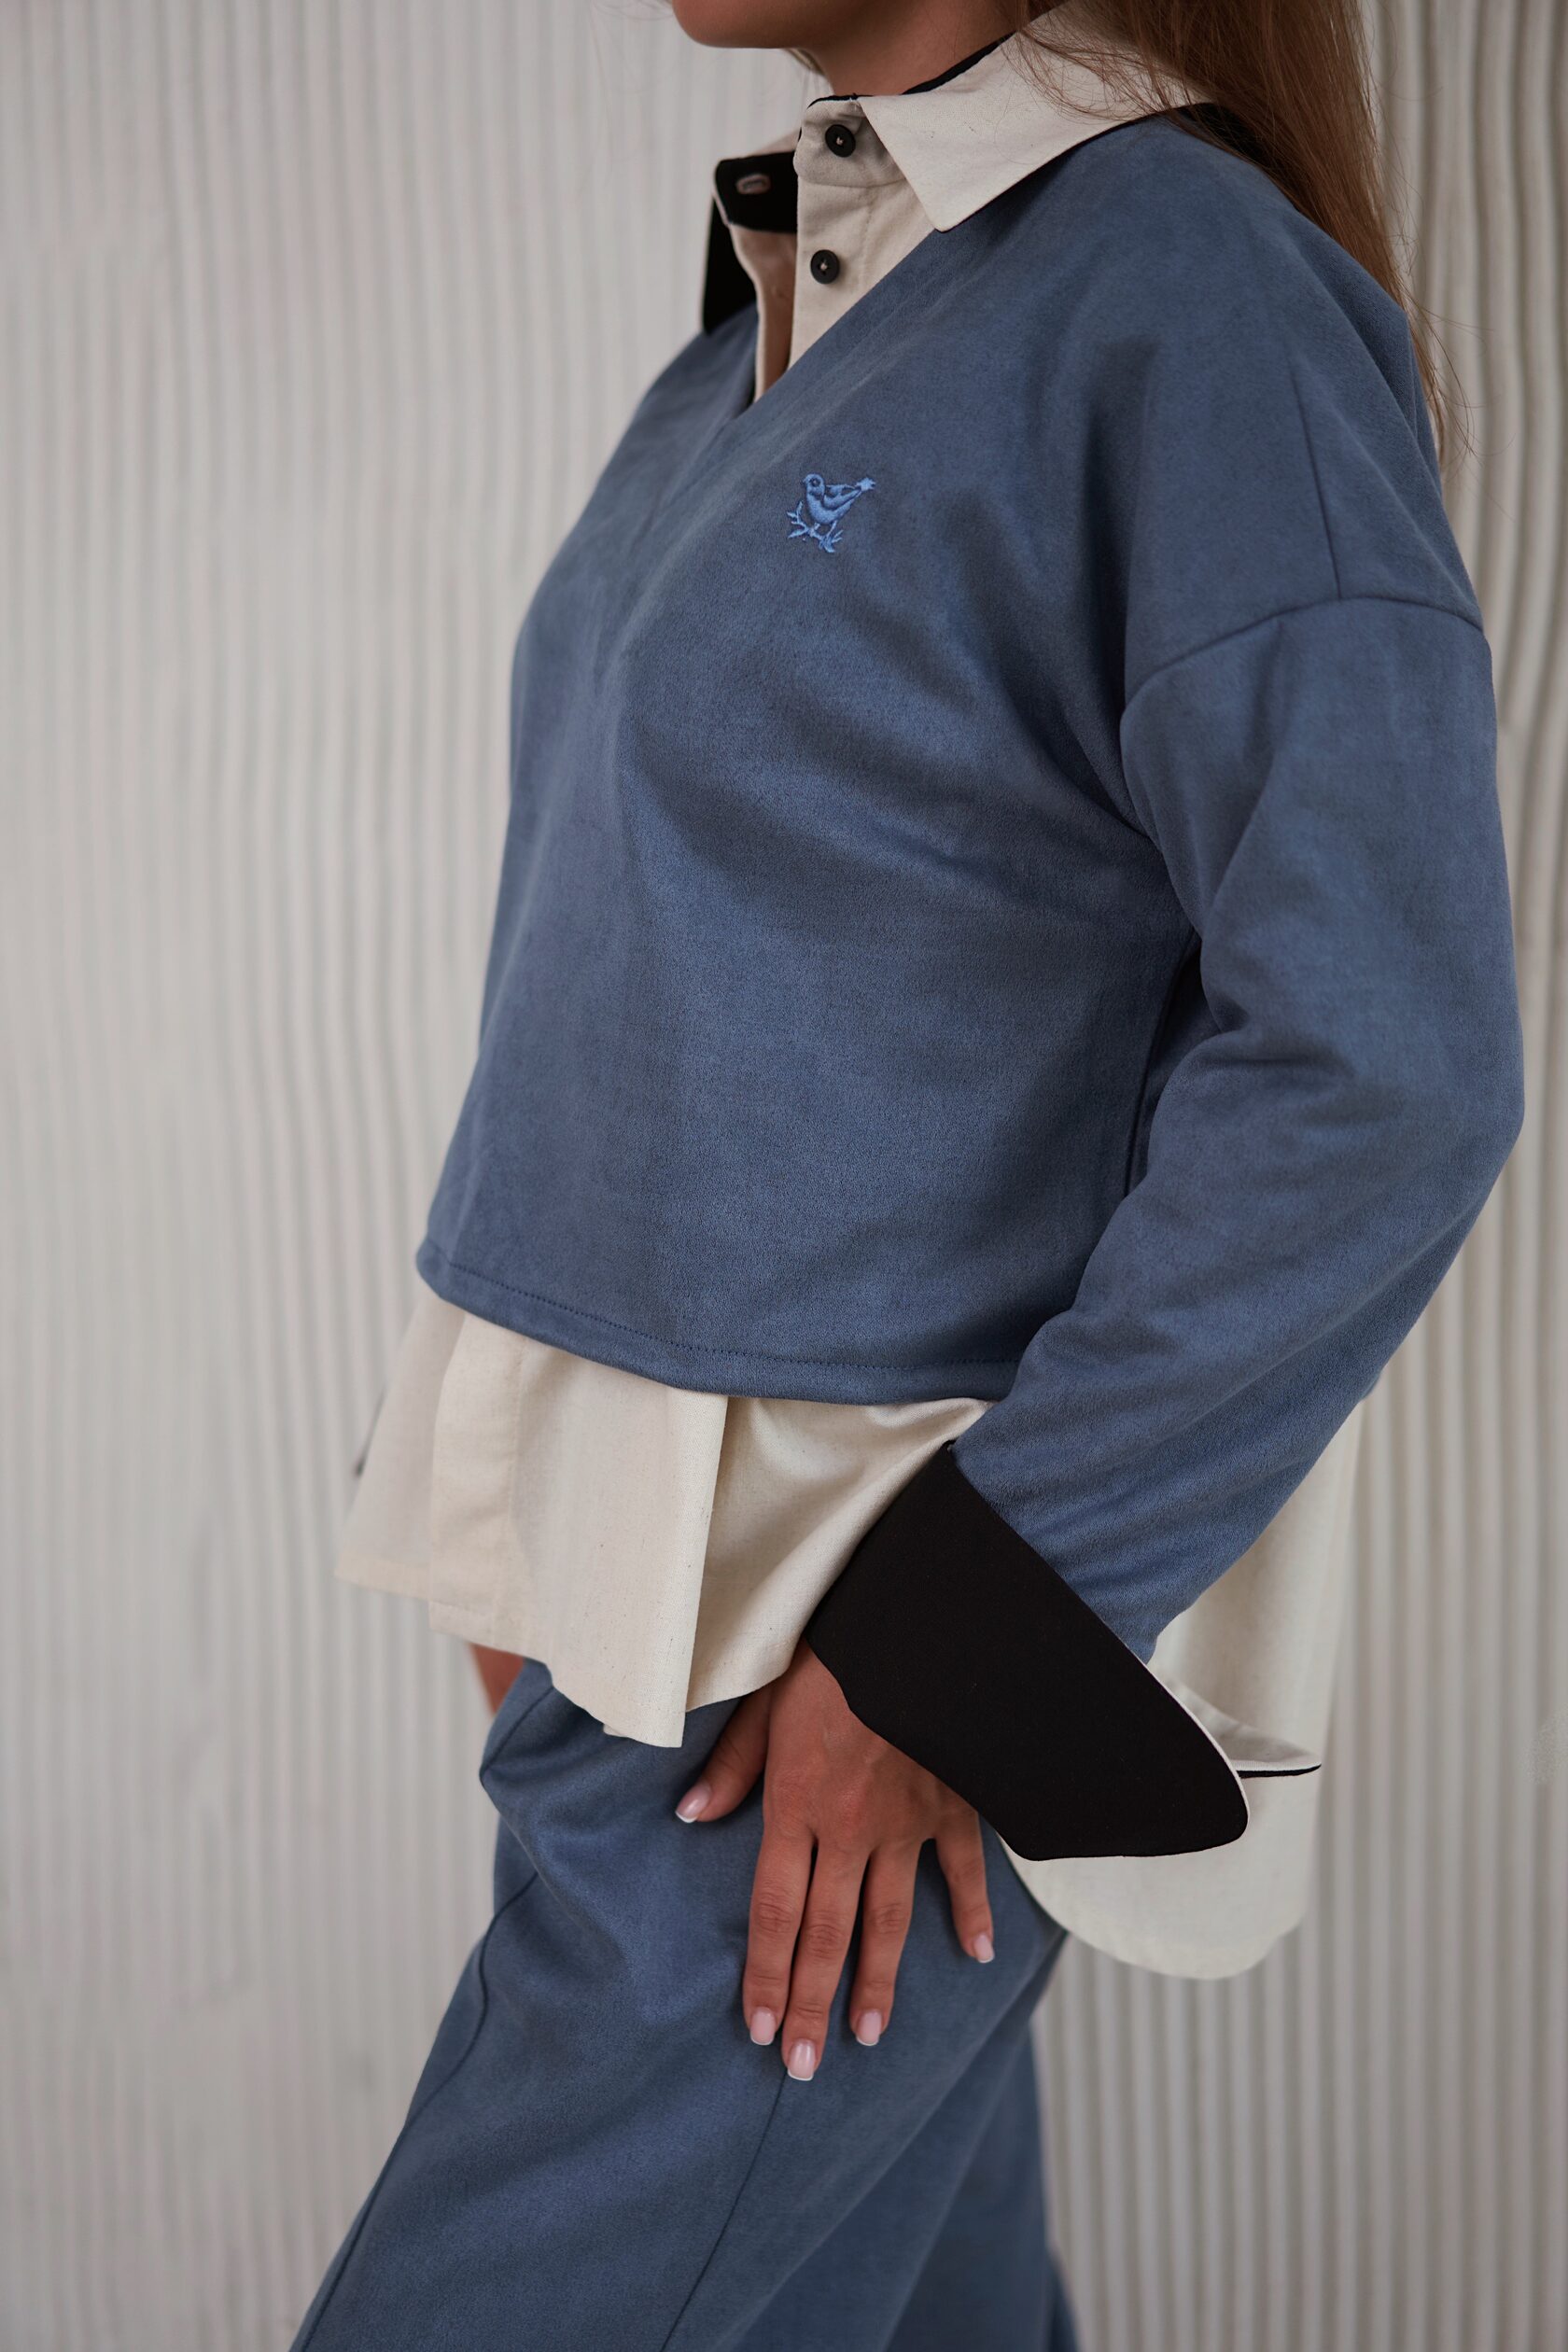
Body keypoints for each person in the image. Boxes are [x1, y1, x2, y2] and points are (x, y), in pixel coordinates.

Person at [294, 1, 1524, 2344]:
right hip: (663, 1644)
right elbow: (634, 947)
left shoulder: (1189, 297)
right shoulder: (793, 304)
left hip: (840, 1659)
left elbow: (1385, 1063)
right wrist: (500, 1492)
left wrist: (952, 1659)